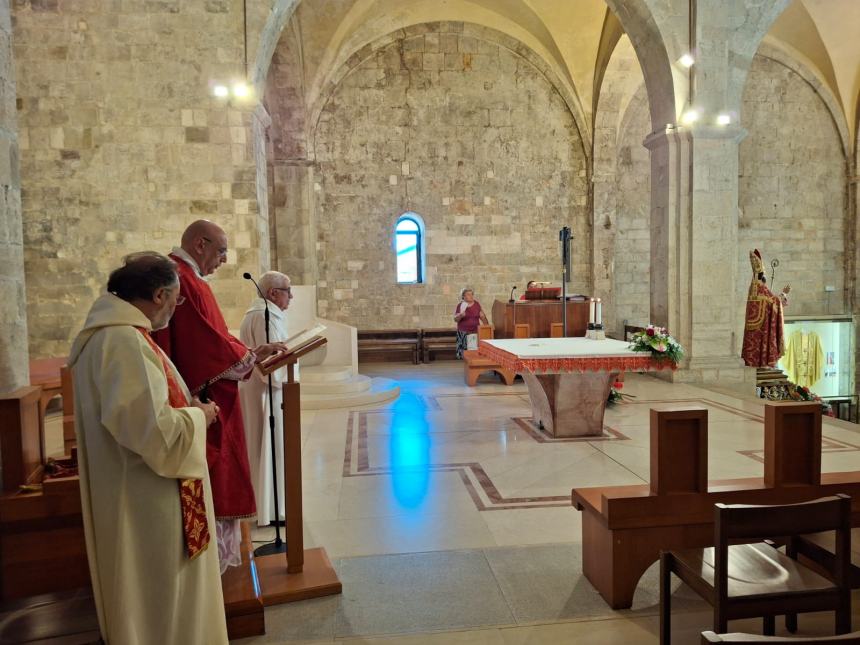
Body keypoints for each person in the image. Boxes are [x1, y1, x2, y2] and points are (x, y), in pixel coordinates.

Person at [68, 252, 228, 645]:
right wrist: (200, 416)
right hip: (148, 498)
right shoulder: (124, 342)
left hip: (131, 490)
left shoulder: (106, 335)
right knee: (160, 600)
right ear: (159, 295)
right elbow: (154, 434)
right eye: (176, 299)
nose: (176, 308)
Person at [152, 220, 280, 573]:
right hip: (202, 400)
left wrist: (251, 351)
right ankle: (212, 567)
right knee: (215, 475)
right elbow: (206, 347)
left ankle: (216, 562)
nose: (224, 259)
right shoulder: (185, 281)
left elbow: (217, 337)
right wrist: (249, 357)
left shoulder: (185, 279)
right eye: (221, 250)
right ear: (199, 244)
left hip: (201, 395)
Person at [238, 271, 294, 527]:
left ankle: (269, 507)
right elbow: (271, 364)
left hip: (259, 391)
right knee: (269, 447)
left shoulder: (259, 313)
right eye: (287, 291)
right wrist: (290, 363)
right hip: (267, 393)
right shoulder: (265, 315)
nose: (291, 296)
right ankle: (273, 511)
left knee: (265, 447)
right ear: (272, 293)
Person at [742, 248, 791, 367]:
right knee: (762, 350)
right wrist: (784, 294)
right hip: (762, 327)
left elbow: (769, 301)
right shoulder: (761, 287)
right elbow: (774, 301)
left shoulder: (753, 288)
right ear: (762, 275)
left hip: (754, 330)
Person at [454, 287, 489, 359]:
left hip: (475, 332)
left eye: (472, 294)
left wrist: (487, 326)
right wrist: (460, 315)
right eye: (468, 294)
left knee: (473, 352)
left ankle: (473, 365)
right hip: (463, 332)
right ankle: (467, 366)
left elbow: (482, 316)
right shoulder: (460, 305)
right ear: (463, 296)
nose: (471, 296)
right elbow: (456, 319)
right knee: (464, 353)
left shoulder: (477, 304)